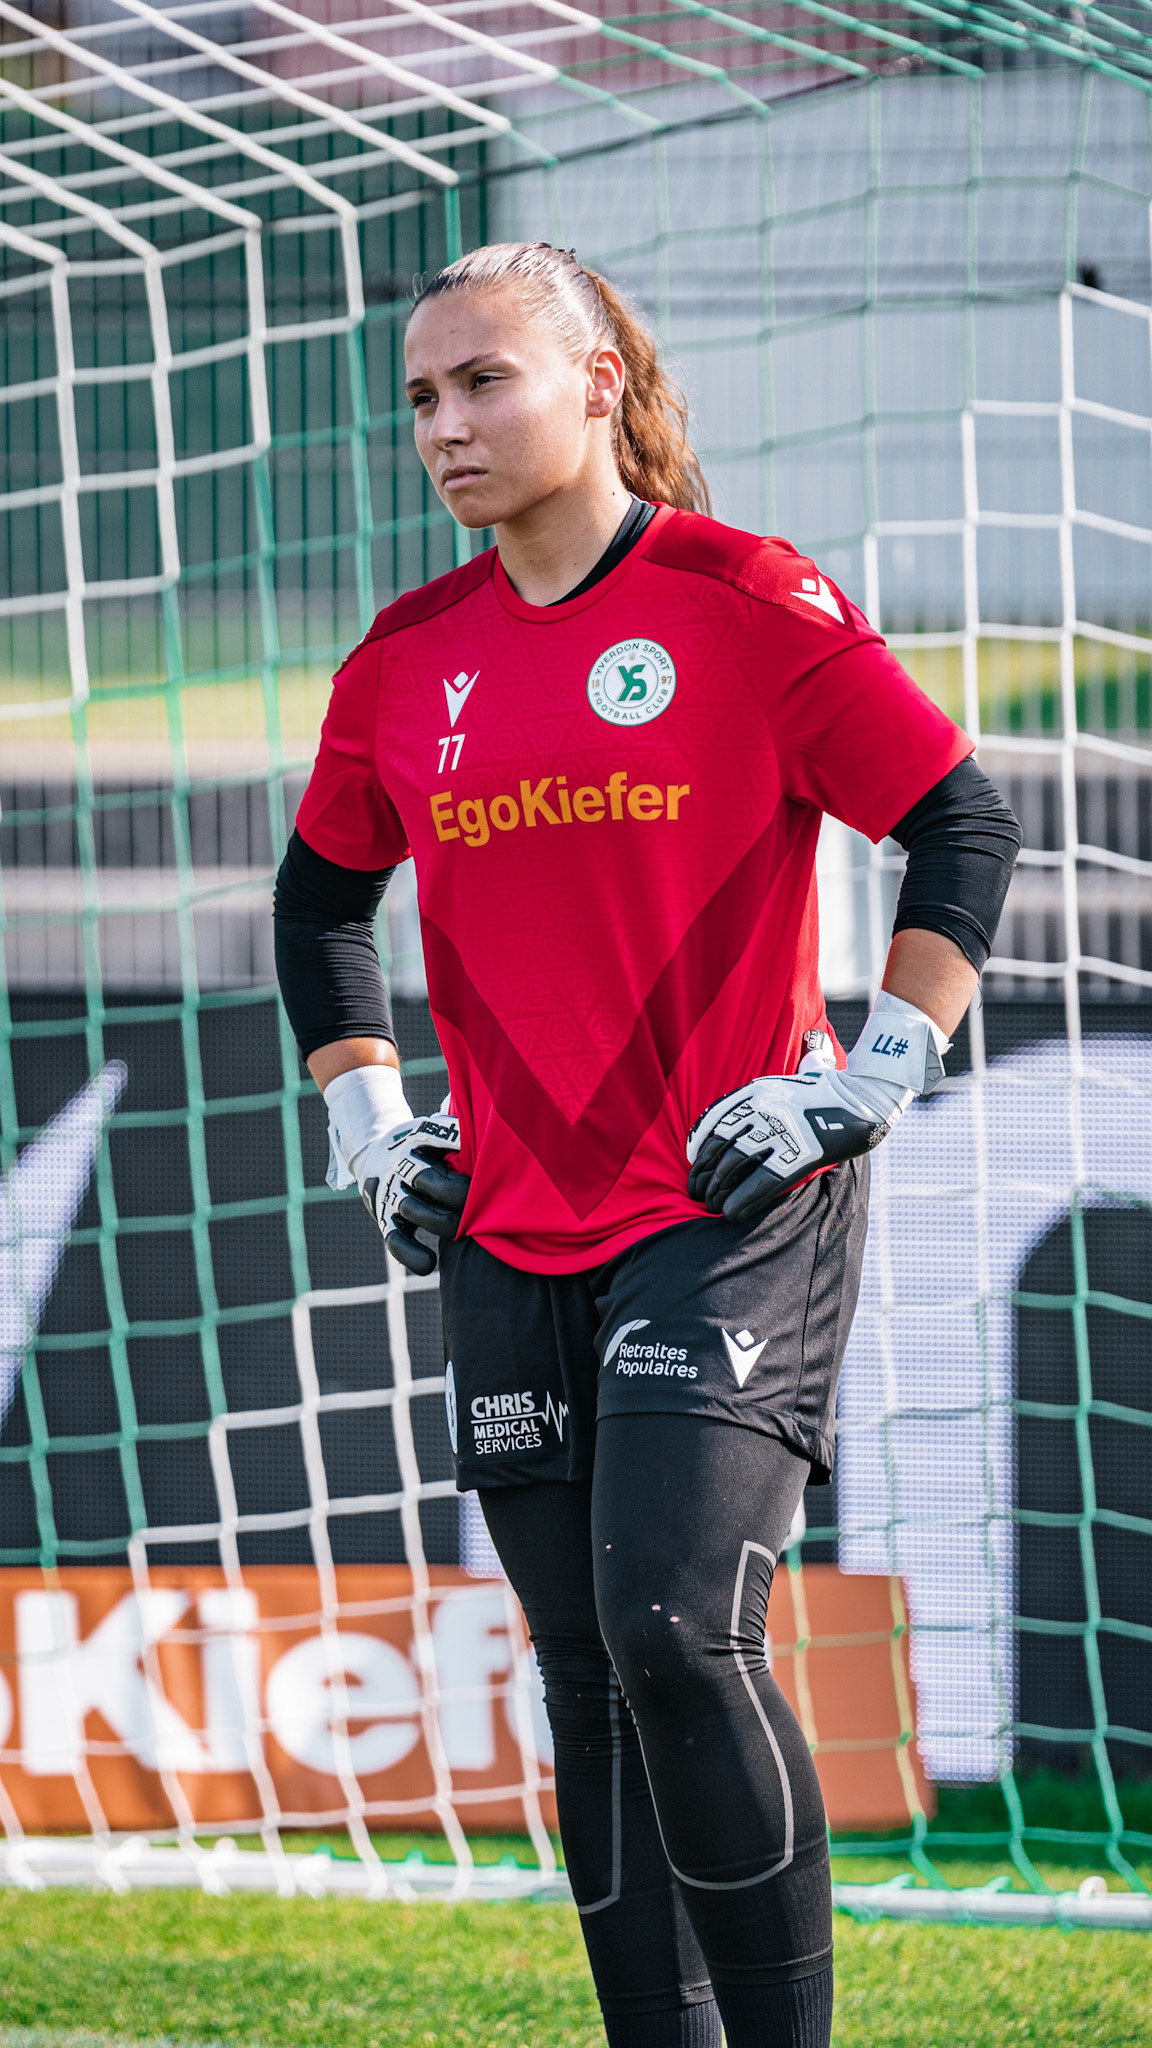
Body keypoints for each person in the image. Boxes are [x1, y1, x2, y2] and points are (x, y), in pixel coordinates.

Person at [274, 242, 1021, 2048]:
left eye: (484, 383)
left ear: (599, 381)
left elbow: (960, 824)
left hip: (727, 1198)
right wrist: (373, 1121)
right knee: (592, 1676)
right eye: (424, 399)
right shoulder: (408, 659)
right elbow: (319, 905)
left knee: (682, 1628)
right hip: (508, 1227)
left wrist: (879, 1070)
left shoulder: (740, 598)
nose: (446, 427)